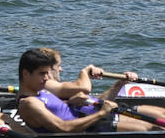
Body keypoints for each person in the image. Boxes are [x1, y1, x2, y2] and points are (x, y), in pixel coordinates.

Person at [16, 48, 154, 133]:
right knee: (151, 128)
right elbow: (63, 127)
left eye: (47, 73)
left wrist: (71, 103)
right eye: (42, 74)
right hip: (90, 128)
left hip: (91, 119)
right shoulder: (29, 103)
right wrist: (101, 113)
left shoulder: (41, 91)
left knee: (164, 118)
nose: (47, 78)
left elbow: (61, 111)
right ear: (26, 74)